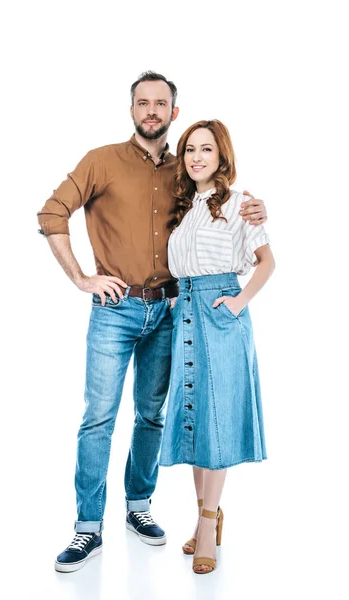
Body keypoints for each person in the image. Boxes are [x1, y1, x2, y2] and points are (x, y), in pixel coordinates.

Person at [37, 72, 267, 573]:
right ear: (132, 109)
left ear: (173, 113)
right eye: (142, 102)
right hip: (114, 310)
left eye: (160, 103)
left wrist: (255, 210)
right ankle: (87, 528)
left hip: (172, 311)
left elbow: (221, 211)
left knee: (152, 416)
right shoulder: (101, 160)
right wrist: (82, 278)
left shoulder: (185, 173)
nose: (151, 110)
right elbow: (52, 213)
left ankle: (139, 506)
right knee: (98, 416)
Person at [159, 120, 275, 574]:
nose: (196, 157)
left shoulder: (240, 202)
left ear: (221, 155)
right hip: (183, 312)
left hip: (220, 314)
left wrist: (238, 303)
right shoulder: (185, 206)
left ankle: (207, 525)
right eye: (190, 149)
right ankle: (206, 512)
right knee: (194, 422)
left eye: (206, 149)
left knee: (219, 422)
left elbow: (267, 262)